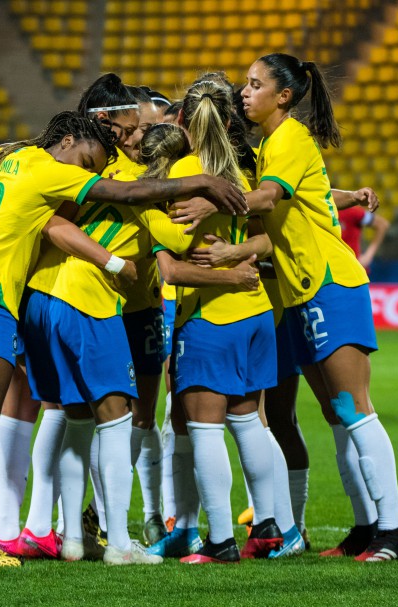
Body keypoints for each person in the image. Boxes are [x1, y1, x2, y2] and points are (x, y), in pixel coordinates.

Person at [0, 110, 247, 567]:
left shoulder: (16, 158)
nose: (86, 173)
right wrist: (200, 188)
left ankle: (29, 535)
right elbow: (130, 196)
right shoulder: (51, 170)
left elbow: (62, 216)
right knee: (9, 423)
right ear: (68, 137)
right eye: (85, 159)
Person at [233, 53, 398, 562]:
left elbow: (268, 200)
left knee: (355, 411)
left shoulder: (288, 137)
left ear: (283, 95)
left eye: (254, 84)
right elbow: (309, 196)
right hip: (301, 291)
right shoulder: (274, 144)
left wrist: (208, 200)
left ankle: (393, 534)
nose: (245, 92)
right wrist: (350, 195)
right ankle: (364, 529)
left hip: (330, 284)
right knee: (337, 416)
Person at [145, 79, 289, 565]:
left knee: (204, 430)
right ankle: (269, 528)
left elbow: (172, 255)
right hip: (256, 313)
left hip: (210, 318)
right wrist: (238, 262)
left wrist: (144, 212)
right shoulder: (241, 176)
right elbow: (269, 242)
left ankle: (221, 540)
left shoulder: (182, 175)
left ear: (183, 121)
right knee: (249, 423)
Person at [338, 205, 391, 270]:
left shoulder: (352, 211)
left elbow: (382, 224)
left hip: (352, 271)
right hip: (329, 270)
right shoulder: (324, 212)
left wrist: (368, 256)